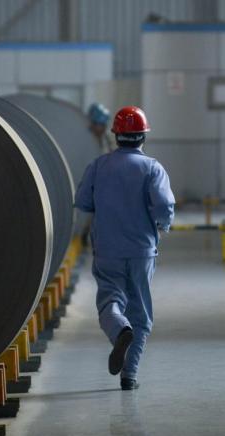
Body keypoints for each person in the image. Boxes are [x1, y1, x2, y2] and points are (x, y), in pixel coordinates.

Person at [74, 106, 175, 390]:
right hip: (142, 251)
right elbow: (165, 206)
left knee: (111, 302)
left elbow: (82, 201)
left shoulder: (98, 166)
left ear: (115, 135)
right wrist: (163, 224)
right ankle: (129, 376)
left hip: (107, 249)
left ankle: (119, 329)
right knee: (141, 315)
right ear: (143, 136)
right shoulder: (153, 168)